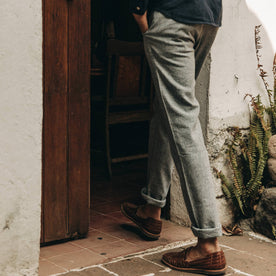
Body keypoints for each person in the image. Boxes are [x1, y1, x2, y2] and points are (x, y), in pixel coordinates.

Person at [121, 0, 227, 274]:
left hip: (172, 17)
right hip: (206, 18)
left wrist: (139, 14)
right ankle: (152, 210)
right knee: (167, 112)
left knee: (182, 123)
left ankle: (208, 245)